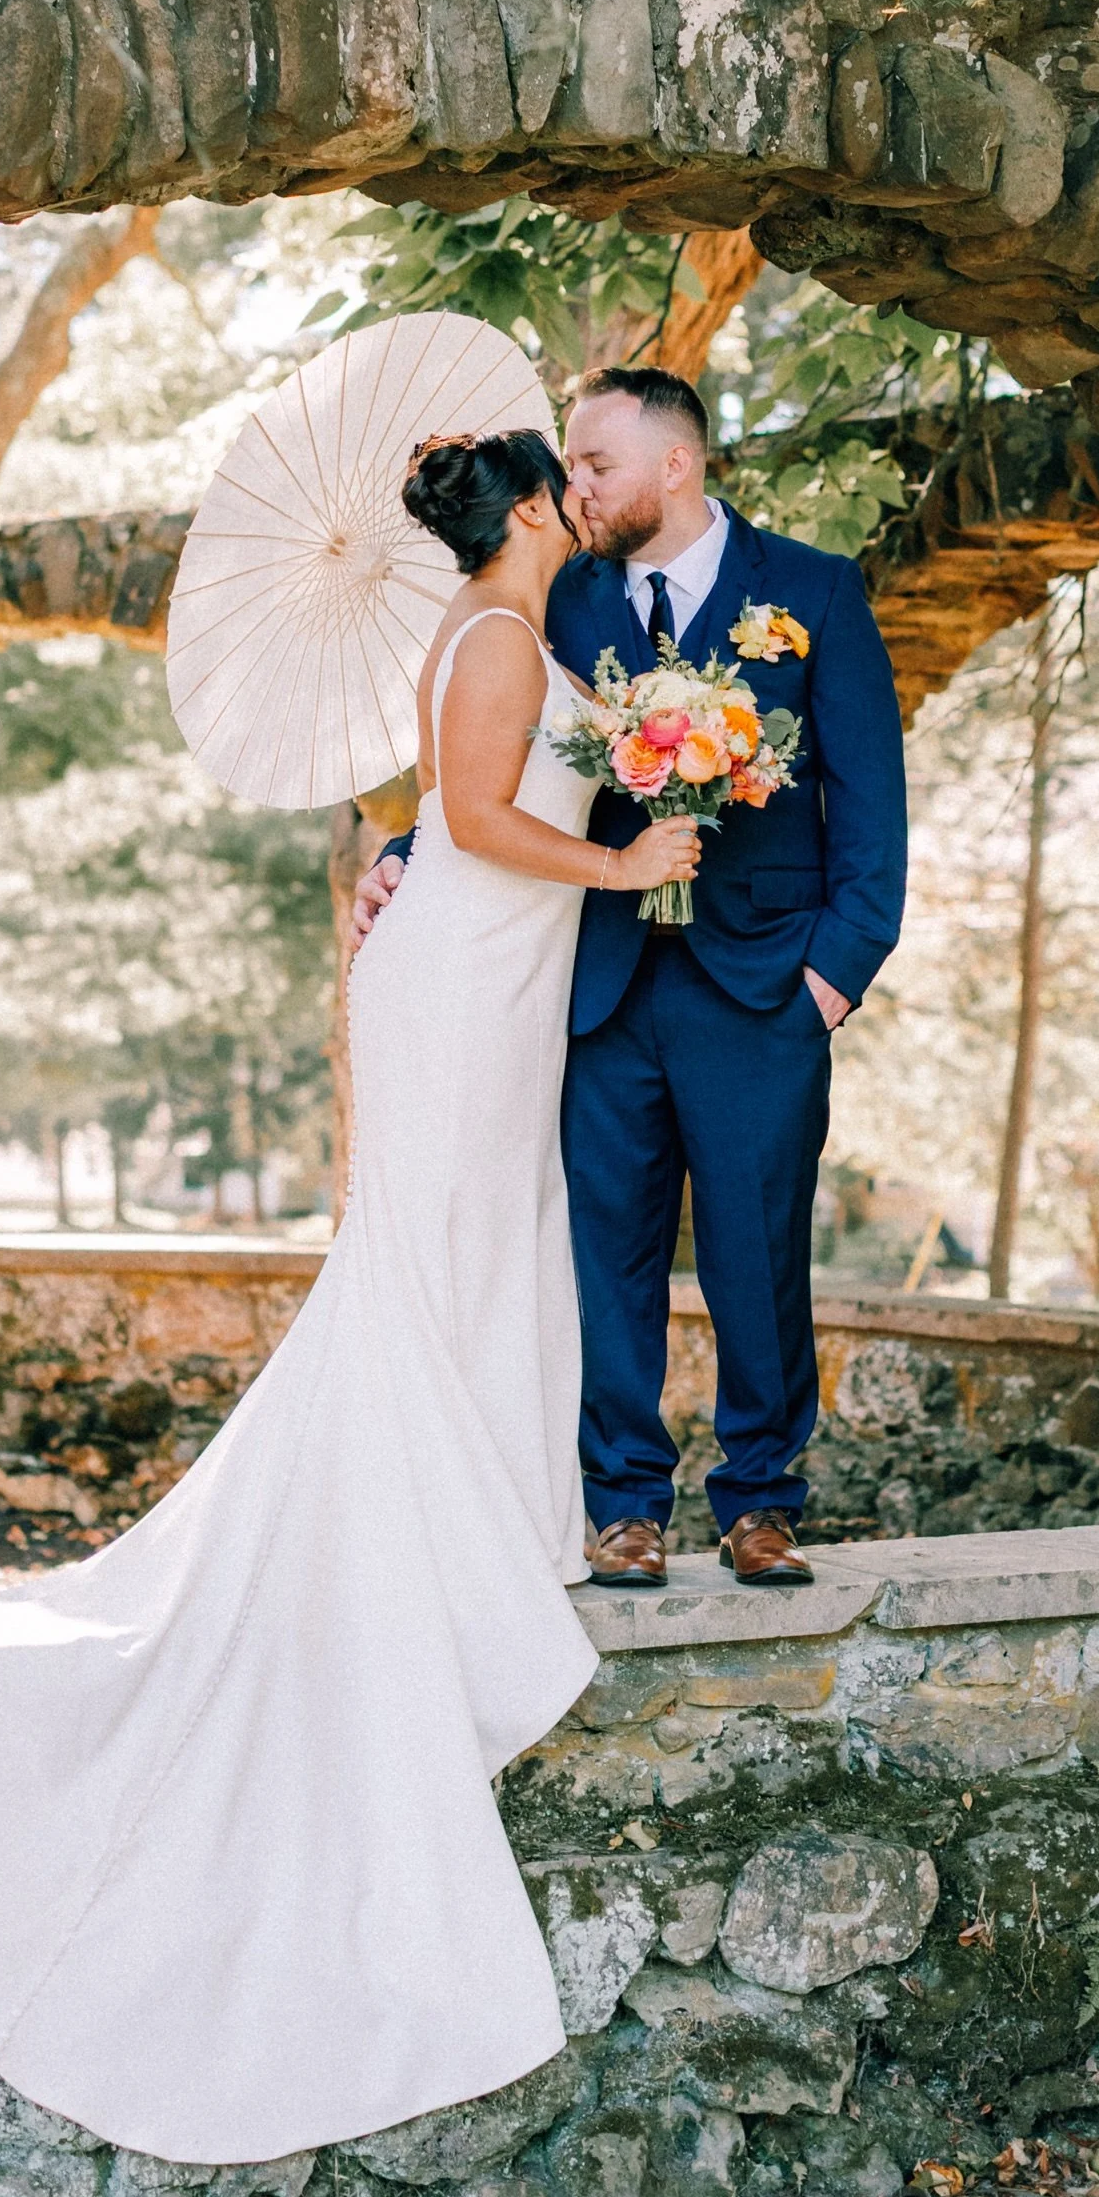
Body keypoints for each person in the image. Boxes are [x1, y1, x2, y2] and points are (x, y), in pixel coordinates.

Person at [0, 429, 700, 2167]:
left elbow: (445, 821)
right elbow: (481, 819)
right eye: (564, 479)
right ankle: (435, 1547)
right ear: (535, 514)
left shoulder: (535, 645)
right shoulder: (493, 645)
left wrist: (649, 776)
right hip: (461, 983)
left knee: (485, 1241)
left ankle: (482, 1524)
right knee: (424, 1262)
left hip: (492, 990)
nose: (585, 490)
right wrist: (633, 861)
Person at [354, 366, 907, 1592]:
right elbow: (485, 767)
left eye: (597, 463)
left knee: (761, 1254)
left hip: (764, 985)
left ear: (677, 463)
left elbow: (871, 799)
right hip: (591, 986)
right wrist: (405, 857)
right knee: (602, 1251)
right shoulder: (559, 602)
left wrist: (837, 973)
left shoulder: (811, 592)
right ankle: (622, 1505)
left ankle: (761, 1500)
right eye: (570, 466)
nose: (578, 486)